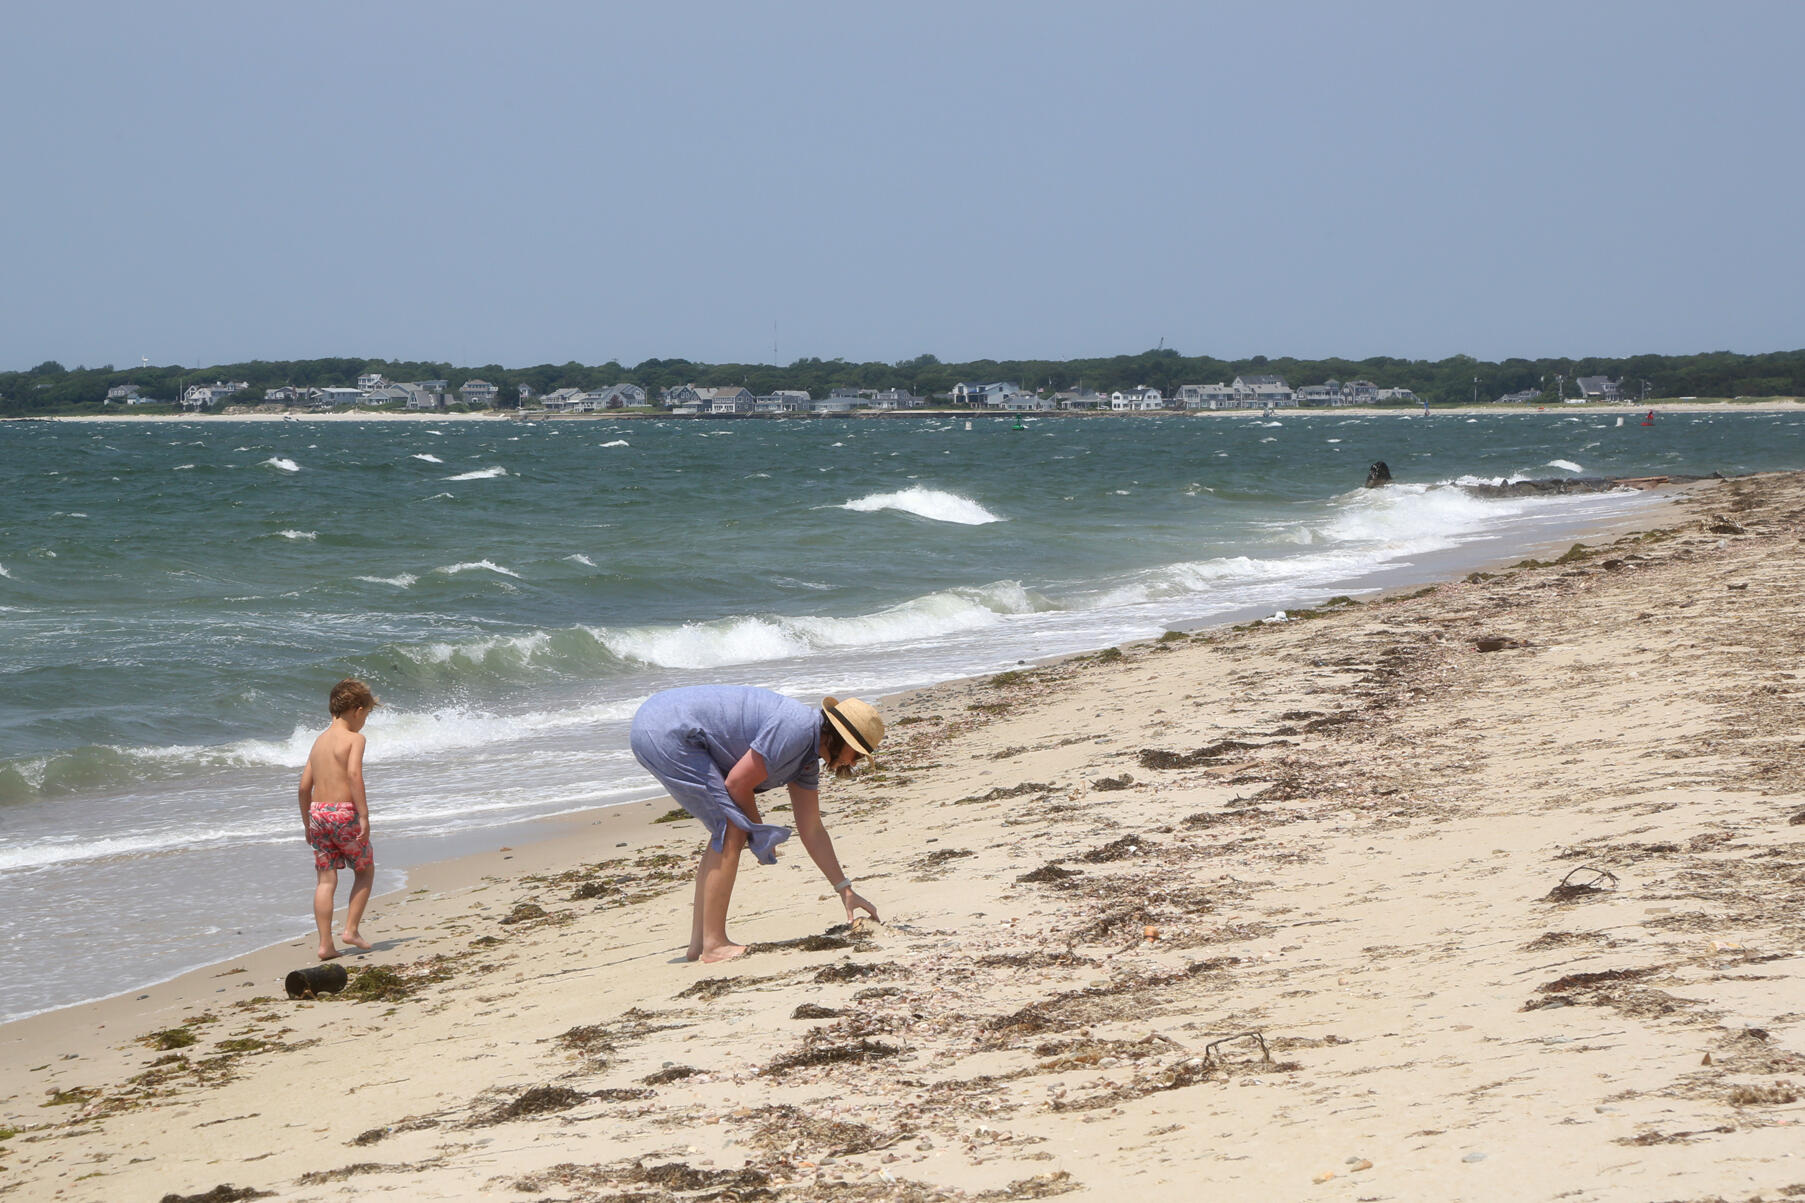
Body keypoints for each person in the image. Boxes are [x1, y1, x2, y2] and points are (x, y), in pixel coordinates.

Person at [630, 685, 884, 963]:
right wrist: (758, 831)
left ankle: (701, 943)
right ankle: (714, 944)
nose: (855, 762)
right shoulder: (796, 729)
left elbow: (812, 829)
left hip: (664, 727)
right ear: (839, 737)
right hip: (665, 728)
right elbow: (737, 783)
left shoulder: (807, 758)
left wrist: (844, 889)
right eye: (857, 754)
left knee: (728, 827)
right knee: (732, 827)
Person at [297, 678, 379, 961]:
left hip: (318, 813)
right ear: (357, 710)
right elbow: (355, 775)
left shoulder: (318, 742)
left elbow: (303, 787)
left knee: (325, 880)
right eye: (366, 715)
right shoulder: (355, 739)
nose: (364, 722)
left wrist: (307, 823)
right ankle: (351, 930)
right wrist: (364, 815)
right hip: (344, 813)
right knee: (364, 870)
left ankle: (325, 945)